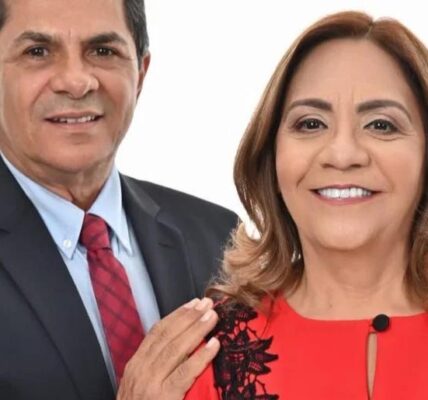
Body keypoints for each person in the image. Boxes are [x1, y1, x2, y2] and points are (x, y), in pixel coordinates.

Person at [184, 10, 428, 399]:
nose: (342, 154)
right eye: (311, 124)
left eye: (381, 125)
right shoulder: (204, 354)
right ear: (271, 155)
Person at [0, 0, 237, 399]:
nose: (76, 82)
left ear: (140, 74)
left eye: (103, 50)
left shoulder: (219, 237)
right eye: (38, 51)